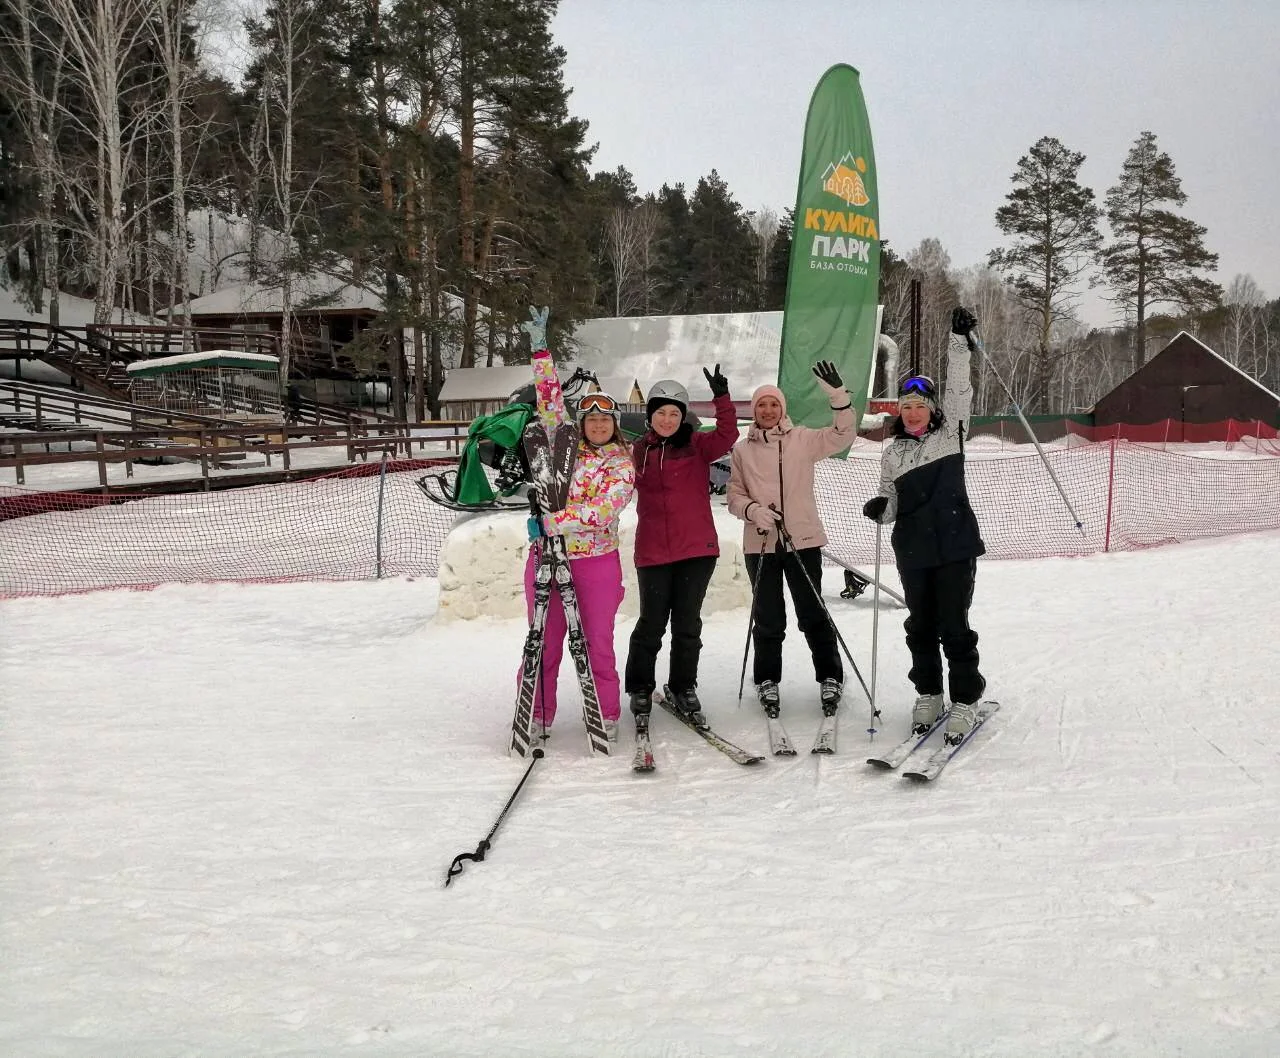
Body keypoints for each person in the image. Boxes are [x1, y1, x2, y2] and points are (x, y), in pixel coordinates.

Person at [862, 306, 987, 745]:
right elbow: (892, 497)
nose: (913, 413)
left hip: (954, 545)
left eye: (920, 406)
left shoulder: (950, 431)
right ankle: (930, 693)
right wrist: (883, 508)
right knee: (920, 626)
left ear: (932, 409)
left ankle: (965, 698)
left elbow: (959, 388)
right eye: (907, 407)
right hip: (913, 550)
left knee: (953, 624)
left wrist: (958, 341)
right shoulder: (893, 451)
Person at [726, 361, 856, 717]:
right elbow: (733, 495)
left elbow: (843, 434)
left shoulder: (803, 440)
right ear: (754, 412)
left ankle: (830, 675)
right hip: (762, 543)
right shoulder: (742, 450)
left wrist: (838, 397)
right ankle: (767, 679)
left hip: (803, 540)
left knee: (812, 612)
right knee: (768, 617)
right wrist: (753, 510)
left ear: (783, 408)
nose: (768, 411)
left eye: (774, 404)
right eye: (761, 406)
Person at [523, 341, 635, 746]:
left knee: (596, 643)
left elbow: (604, 511)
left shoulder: (621, 463)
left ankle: (604, 712)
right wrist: (541, 356)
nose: (599, 425)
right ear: (582, 423)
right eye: (591, 419)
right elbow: (550, 403)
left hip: (596, 563)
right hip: (547, 558)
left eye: (606, 420)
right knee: (544, 640)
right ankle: (535, 712)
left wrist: (554, 521)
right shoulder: (565, 450)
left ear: (615, 424)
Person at [624, 366, 738, 729]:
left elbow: (727, 434)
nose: (668, 419)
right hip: (654, 551)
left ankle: (683, 686)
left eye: (674, 413)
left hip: (696, 550)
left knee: (688, 625)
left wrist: (722, 398)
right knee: (651, 624)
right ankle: (640, 686)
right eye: (661, 412)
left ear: (683, 416)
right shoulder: (637, 452)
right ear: (650, 416)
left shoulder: (697, 444)